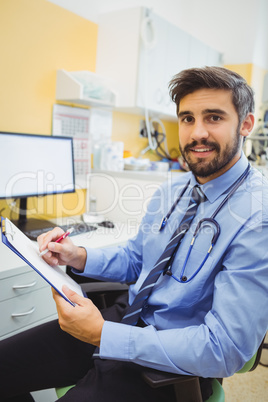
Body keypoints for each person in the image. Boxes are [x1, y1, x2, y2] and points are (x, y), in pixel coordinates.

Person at [1, 66, 268, 402]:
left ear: (246, 124)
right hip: (125, 320)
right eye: (187, 119)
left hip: (170, 364)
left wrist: (103, 335)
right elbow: (138, 257)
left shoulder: (259, 217)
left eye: (214, 117)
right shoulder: (173, 191)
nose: (197, 132)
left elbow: (224, 349)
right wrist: (77, 255)